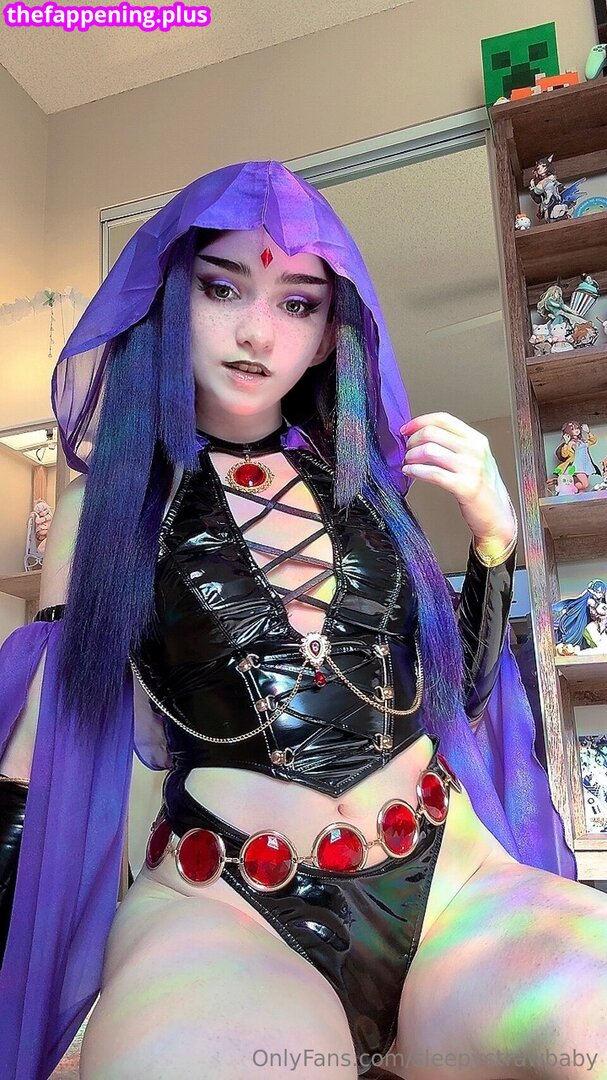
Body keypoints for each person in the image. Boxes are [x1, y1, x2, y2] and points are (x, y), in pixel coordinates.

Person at [0, 161, 604, 1080]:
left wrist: (495, 542)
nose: (256, 332)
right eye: (222, 288)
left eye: (296, 303)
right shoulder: (106, 508)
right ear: (173, 299)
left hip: (450, 882)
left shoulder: (371, 493)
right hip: (224, 902)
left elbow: (461, 696)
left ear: (327, 335)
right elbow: (42, 747)